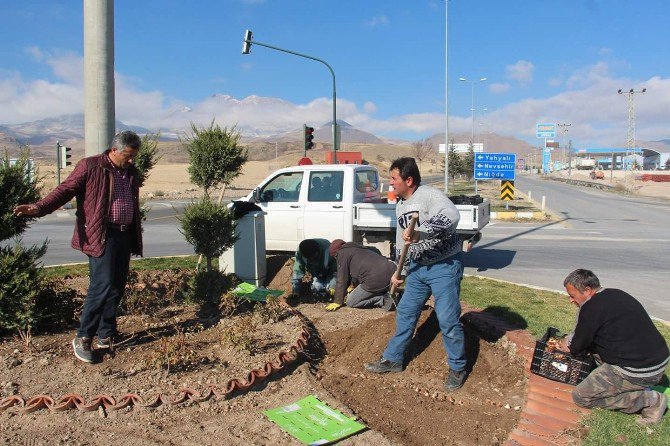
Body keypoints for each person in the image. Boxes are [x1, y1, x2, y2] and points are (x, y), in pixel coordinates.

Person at [13, 131, 143, 364]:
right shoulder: (90, 166)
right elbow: (65, 191)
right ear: (114, 150)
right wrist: (38, 207)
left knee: (116, 287)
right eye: (128, 155)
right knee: (101, 286)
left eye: (134, 156)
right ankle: (83, 337)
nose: (131, 160)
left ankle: (106, 334)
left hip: (125, 235)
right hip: (102, 235)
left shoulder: (130, 172)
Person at [364, 157, 467, 392]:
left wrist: (421, 233)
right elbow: (404, 243)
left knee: (448, 319)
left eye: (393, 178)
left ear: (408, 180)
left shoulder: (430, 196)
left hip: (444, 266)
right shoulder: (400, 204)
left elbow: (451, 216)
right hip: (418, 269)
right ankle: (393, 359)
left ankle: (458, 367)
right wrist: (399, 271)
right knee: (406, 313)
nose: (390, 183)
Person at [560, 269, 669, 425]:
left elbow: (578, 347)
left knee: (581, 396)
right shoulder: (614, 294)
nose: (571, 300)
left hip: (638, 371)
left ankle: (651, 401)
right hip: (658, 360)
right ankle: (635, 385)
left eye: (572, 295)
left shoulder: (591, 308)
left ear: (587, 291)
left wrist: (567, 344)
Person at [325, 239, 397, 312]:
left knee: (351, 302)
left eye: (334, 256)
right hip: (392, 272)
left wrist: (338, 301)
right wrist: (353, 285)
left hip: (376, 279)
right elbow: (359, 269)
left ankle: (383, 299)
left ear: (336, 253)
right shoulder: (356, 249)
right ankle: (389, 291)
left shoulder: (342, 253)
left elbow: (342, 278)